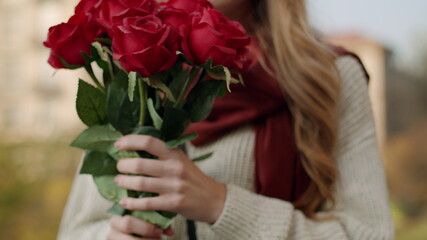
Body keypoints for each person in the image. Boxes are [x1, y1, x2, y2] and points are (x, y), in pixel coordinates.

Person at [57, 0, 395, 239]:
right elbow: (76, 231)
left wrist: (222, 205)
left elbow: (370, 234)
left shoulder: (330, 78)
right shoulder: (129, 72)